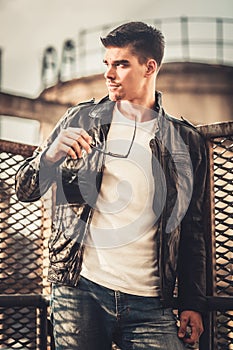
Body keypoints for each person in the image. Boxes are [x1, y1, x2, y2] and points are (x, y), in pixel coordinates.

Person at [15, 21, 207, 350]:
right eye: (107, 63)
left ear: (150, 67)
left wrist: (193, 302)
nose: (109, 73)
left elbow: (193, 228)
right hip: (80, 291)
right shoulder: (80, 119)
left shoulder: (185, 141)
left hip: (152, 303)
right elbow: (25, 189)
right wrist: (50, 155)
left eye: (121, 64)